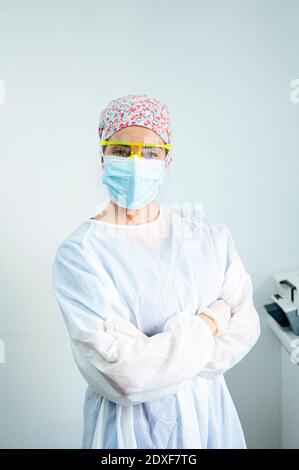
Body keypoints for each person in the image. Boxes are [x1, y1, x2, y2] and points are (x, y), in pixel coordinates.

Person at [52, 93, 261, 449]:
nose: (136, 163)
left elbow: (246, 327)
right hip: (125, 435)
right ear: (102, 157)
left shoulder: (208, 237)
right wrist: (210, 321)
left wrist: (152, 354)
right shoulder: (79, 255)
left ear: (167, 159)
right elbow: (123, 378)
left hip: (208, 423)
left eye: (150, 153)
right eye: (121, 150)